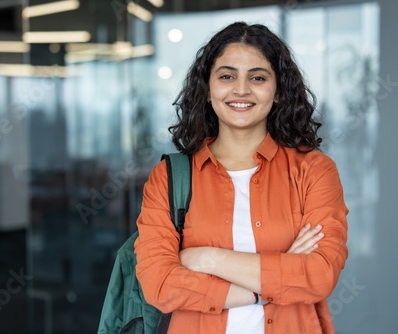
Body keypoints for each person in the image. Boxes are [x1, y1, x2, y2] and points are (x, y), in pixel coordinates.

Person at [134, 22, 348, 334]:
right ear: (208, 89)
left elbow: (319, 275)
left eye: (258, 77)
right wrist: (269, 285)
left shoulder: (314, 171)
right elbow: (160, 284)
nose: (241, 89)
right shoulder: (169, 177)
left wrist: (207, 259)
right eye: (226, 76)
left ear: (277, 92)